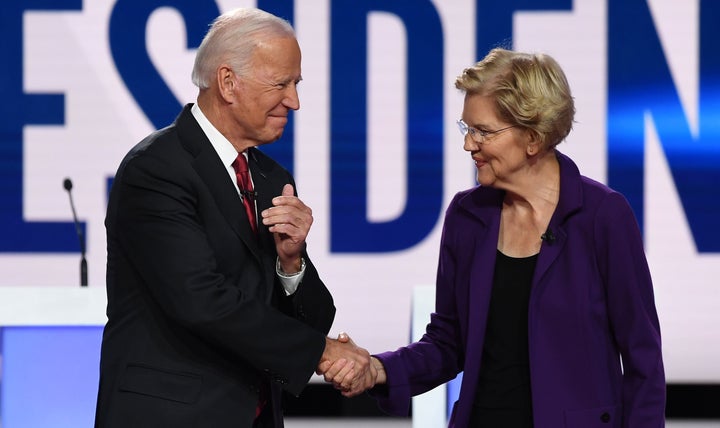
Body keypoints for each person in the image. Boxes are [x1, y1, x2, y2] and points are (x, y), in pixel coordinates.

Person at [322, 48, 666, 427]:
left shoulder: (602, 216)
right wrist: (376, 369)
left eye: (483, 131)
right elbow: (448, 342)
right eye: (466, 128)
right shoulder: (468, 217)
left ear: (533, 137)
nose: (468, 145)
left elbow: (643, 358)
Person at [95, 7, 373, 428]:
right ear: (228, 82)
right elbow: (200, 299)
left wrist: (291, 263)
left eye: (296, 84)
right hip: (170, 416)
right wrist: (321, 351)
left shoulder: (270, 177)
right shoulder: (156, 170)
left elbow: (312, 320)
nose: (294, 102)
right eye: (281, 84)